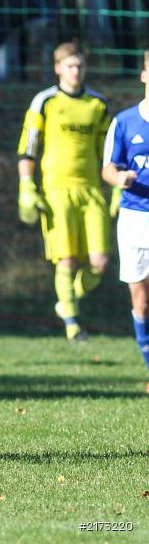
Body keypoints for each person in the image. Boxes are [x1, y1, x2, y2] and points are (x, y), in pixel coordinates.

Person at [17, 42, 112, 342]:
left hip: (92, 190)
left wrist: (118, 191)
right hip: (57, 191)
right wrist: (26, 185)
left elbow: (108, 153)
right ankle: (72, 323)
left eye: (80, 65)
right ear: (58, 68)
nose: (76, 71)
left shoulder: (98, 104)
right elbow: (28, 148)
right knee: (67, 260)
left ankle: (66, 300)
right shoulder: (43, 102)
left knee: (99, 262)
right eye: (70, 65)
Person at [101, 50, 149, 393]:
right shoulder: (125, 121)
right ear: (144, 75)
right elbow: (108, 167)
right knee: (141, 300)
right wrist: (120, 179)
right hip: (134, 217)